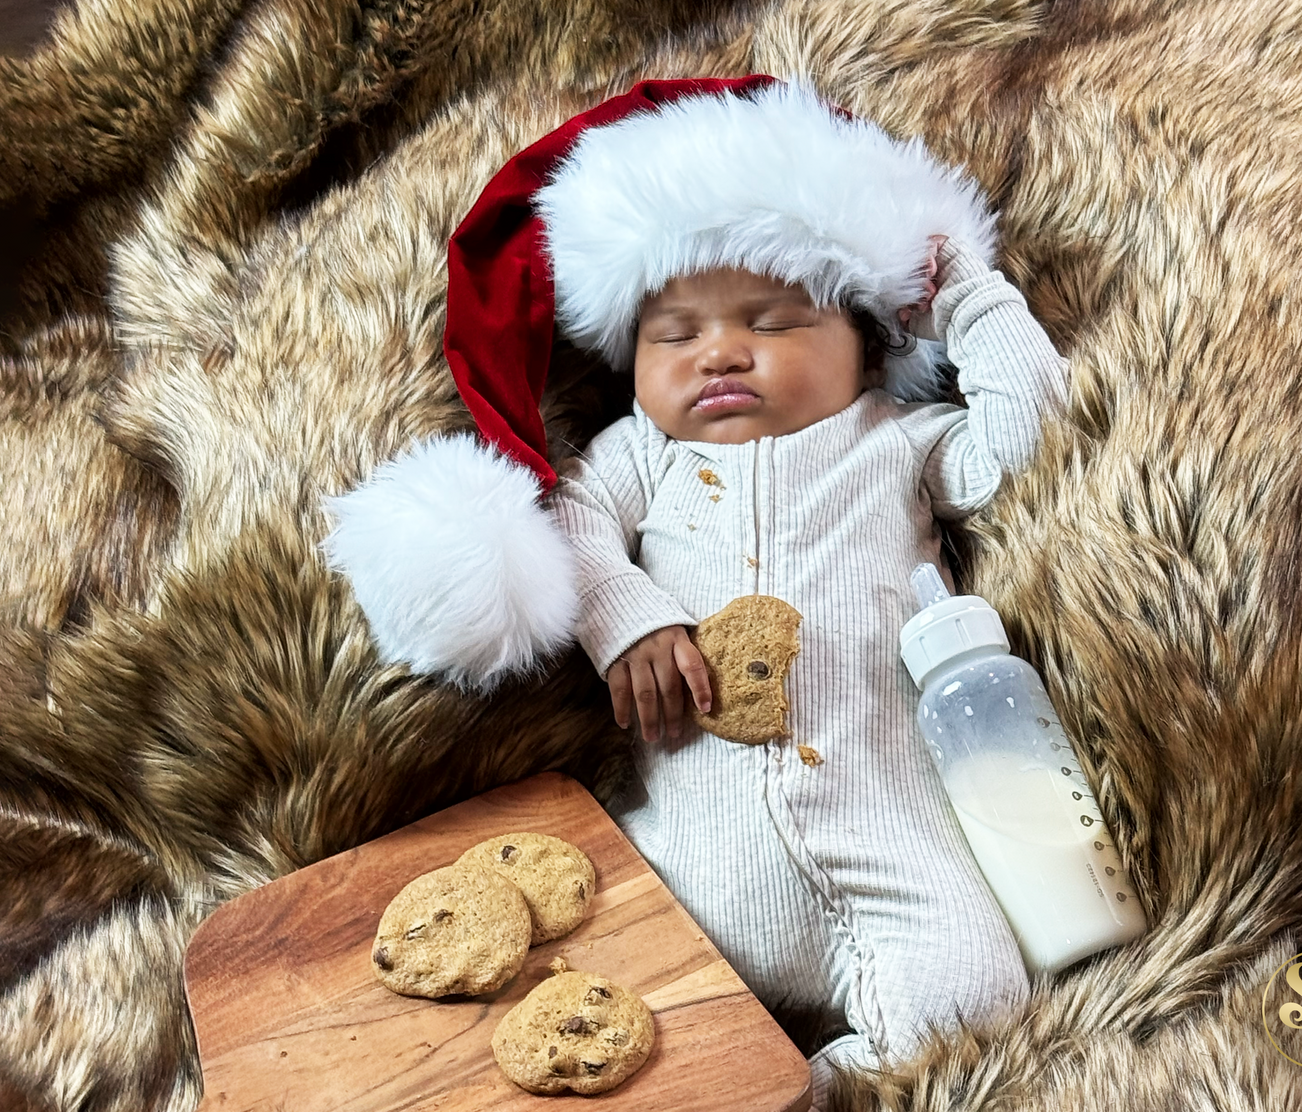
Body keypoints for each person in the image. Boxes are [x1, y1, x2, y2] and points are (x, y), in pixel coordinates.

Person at [323, 76, 1067, 1107]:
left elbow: (1017, 442)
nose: (719, 349)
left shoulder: (892, 443)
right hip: (690, 869)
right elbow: (567, 528)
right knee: (600, 989)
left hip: (889, 842)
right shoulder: (640, 457)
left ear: (865, 343)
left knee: (979, 992)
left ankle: (803, 1085)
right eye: (673, 335)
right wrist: (628, 619)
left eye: (770, 318)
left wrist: (966, 294)